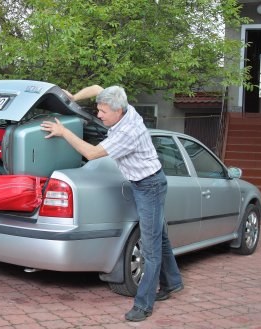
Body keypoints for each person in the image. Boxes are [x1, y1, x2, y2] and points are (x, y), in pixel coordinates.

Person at [40, 85, 183, 322]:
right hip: (143, 183)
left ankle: (143, 304)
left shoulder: (128, 133)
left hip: (150, 186)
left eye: (103, 111)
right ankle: (173, 281)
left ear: (118, 111)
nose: (99, 114)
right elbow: (97, 88)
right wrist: (74, 97)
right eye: (99, 108)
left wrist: (64, 132)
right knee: (159, 235)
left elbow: (92, 153)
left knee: (150, 245)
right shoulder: (123, 104)